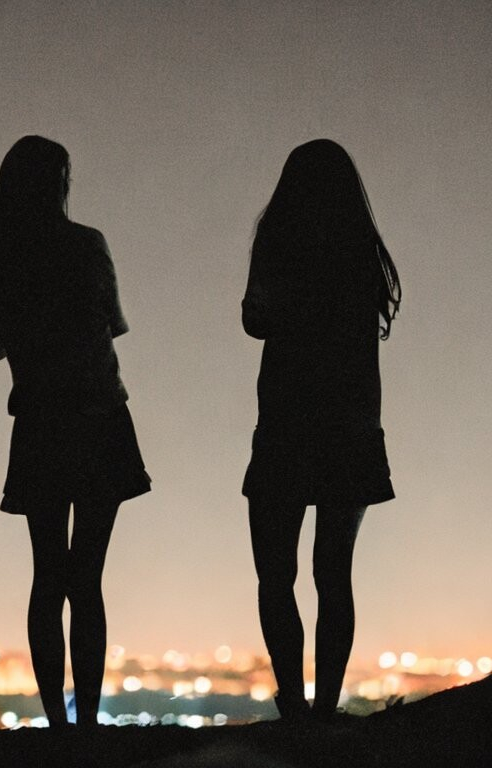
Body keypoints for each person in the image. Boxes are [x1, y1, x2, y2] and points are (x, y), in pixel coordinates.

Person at [0, 135, 150, 727]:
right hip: (98, 418)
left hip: (40, 424)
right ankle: (86, 721)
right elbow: (112, 324)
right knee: (87, 578)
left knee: (47, 576)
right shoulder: (86, 246)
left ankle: (57, 726)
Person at [241, 139, 401, 721]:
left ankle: (294, 703)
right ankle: (327, 706)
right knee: (334, 574)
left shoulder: (279, 243)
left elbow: (254, 318)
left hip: (285, 423)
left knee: (275, 572)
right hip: (352, 427)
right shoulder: (361, 253)